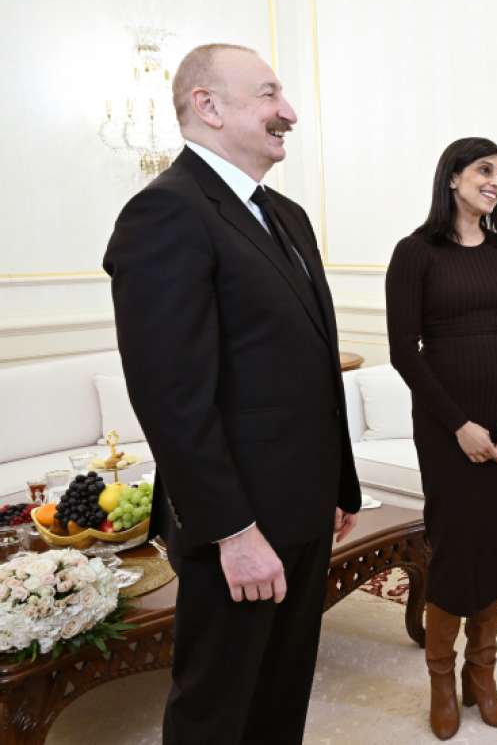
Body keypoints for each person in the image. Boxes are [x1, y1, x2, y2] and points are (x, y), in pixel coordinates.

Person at [103, 43, 362, 744]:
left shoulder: (288, 215)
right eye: (269, 94)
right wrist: (233, 532)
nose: (290, 112)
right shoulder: (165, 213)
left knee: (281, 692)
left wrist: (338, 483)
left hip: (303, 509)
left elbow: (310, 367)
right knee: (218, 710)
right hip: (239, 523)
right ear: (208, 106)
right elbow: (171, 397)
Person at [385, 137, 497, 740]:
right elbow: (404, 351)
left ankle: (483, 676)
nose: (495, 180)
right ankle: (440, 681)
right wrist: (458, 425)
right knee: (453, 548)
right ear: (452, 177)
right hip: (446, 424)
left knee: (495, 545)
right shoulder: (415, 253)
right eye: (484, 169)